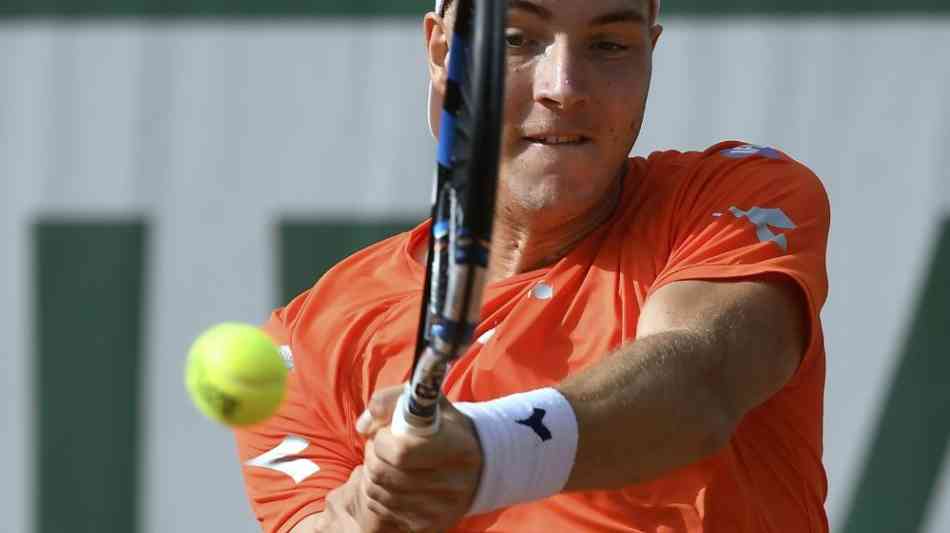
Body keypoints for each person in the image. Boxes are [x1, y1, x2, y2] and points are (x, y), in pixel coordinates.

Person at [235, 0, 831, 531]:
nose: (565, 86)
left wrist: (488, 452)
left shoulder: (735, 198)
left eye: (609, 45)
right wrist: (369, 515)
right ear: (443, 50)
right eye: (516, 38)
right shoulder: (303, 346)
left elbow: (700, 382)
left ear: (650, 53)